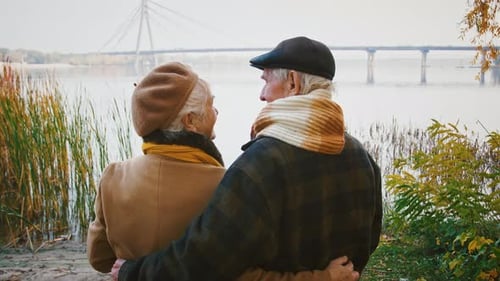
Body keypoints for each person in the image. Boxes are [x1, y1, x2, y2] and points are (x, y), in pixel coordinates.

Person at [113, 36, 382, 281]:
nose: (261, 95)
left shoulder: (261, 164)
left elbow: (205, 260)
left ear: (292, 82)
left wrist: (133, 272)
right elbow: (367, 243)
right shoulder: (363, 159)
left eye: (266, 81)